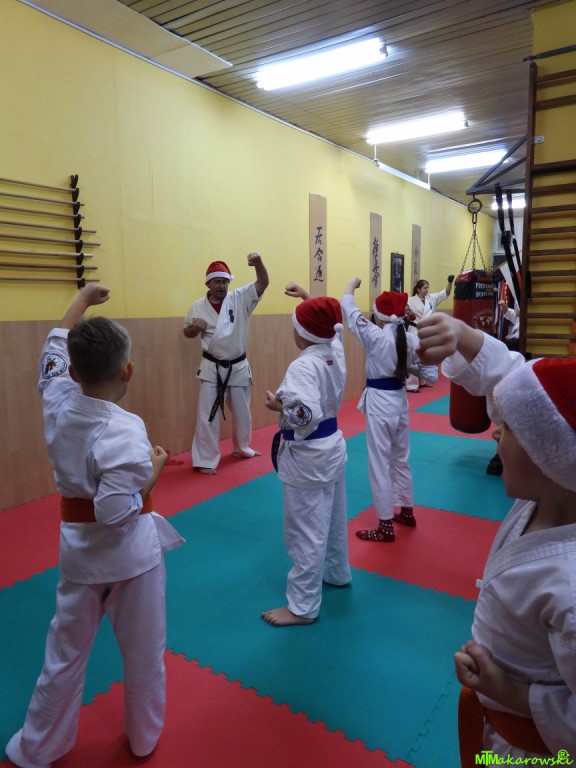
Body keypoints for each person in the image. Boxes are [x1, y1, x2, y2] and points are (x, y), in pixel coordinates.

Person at [5, 285, 185, 768]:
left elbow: (52, 350)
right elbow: (116, 514)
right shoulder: (125, 429)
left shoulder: (57, 399)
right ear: (128, 370)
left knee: (64, 655)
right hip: (132, 559)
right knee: (144, 653)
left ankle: (37, 747)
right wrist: (154, 472)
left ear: (72, 371)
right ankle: (143, 737)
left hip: (79, 555)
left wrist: (81, 301)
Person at [416, 311, 576, 761]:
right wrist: (465, 335)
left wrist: (511, 693)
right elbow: (523, 387)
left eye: (509, 430)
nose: (494, 432)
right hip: (496, 732)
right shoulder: (551, 493)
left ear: (549, 456)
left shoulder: (569, 584)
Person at [261, 283, 351, 627]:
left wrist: (278, 405)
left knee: (305, 531)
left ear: (302, 334)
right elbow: (332, 327)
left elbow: (304, 416)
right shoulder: (334, 350)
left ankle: (302, 606)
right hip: (333, 448)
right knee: (333, 520)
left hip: (309, 456)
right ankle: (337, 572)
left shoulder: (302, 367)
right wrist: (306, 298)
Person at [341, 280, 420, 541]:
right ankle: (406, 511)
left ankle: (385, 525)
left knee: (379, 464)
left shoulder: (375, 335)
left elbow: (349, 310)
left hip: (380, 404)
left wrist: (351, 286)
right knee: (401, 459)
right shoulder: (410, 338)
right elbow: (428, 365)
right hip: (400, 402)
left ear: (379, 314)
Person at [183, 253, 269, 474]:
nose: (221, 285)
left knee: (242, 412)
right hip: (211, 367)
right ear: (208, 284)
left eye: (224, 281)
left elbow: (263, 283)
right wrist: (195, 329)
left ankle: (242, 447)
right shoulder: (198, 307)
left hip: (237, 366)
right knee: (207, 416)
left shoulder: (240, 299)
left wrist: (258, 264)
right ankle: (205, 459)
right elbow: (187, 332)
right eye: (217, 281)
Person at [485, 299, 522, 476]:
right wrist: (508, 310)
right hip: (513, 344)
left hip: (523, 346)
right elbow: (516, 318)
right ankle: (502, 452)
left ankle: (506, 454)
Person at [406, 275, 454, 391]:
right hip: (415, 330)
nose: (427, 290)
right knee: (413, 356)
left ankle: (422, 381)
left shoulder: (431, 298)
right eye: (425, 288)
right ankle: (411, 384)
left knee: (426, 355)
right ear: (418, 289)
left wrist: (450, 282)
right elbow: (405, 310)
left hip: (428, 332)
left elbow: (445, 293)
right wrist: (408, 313)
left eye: (428, 287)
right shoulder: (410, 300)